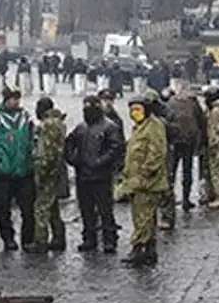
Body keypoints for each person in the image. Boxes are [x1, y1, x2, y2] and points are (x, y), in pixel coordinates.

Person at [66, 95, 125, 253]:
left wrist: (100, 162)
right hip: (83, 175)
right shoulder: (81, 128)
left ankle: (109, 239)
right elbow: (69, 143)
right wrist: (73, 160)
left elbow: (116, 148)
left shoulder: (109, 127)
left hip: (101, 176)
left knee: (105, 210)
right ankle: (89, 238)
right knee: (86, 210)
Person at [0, 86, 36, 250]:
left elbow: (33, 138)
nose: (16, 101)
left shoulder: (26, 116)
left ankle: (28, 239)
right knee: (3, 209)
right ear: (6, 99)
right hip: (3, 171)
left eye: (17, 98)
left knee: (28, 209)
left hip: (24, 170)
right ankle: (8, 238)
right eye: (12, 98)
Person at [117, 96, 168, 266]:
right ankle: (149, 250)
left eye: (138, 110)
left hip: (147, 182)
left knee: (142, 217)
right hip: (137, 180)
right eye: (132, 110)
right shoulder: (139, 127)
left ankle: (139, 248)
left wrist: (145, 173)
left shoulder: (153, 127)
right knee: (145, 216)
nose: (134, 113)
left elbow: (157, 153)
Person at [27, 97, 68, 253]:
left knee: (41, 207)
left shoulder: (48, 125)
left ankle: (41, 241)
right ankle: (58, 237)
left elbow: (48, 153)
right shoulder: (58, 122)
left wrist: (41, 172)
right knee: (53, 205)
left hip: (49, 171)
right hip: (57, 169)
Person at [166, 85, 206, 211]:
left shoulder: (171, 102)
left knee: (171, 171)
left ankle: (168, 199)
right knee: (187, 171)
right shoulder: (193, 103)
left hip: (173, 141)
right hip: (188, 141)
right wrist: (203, 140)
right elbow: (202, 122)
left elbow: (166, 120)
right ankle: (185, 200)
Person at [145, 89, 179, 230]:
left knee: (165, 186)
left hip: (165, 153)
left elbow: (174, 133)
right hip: (152, 153)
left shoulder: (166, 117)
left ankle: (167, 217)